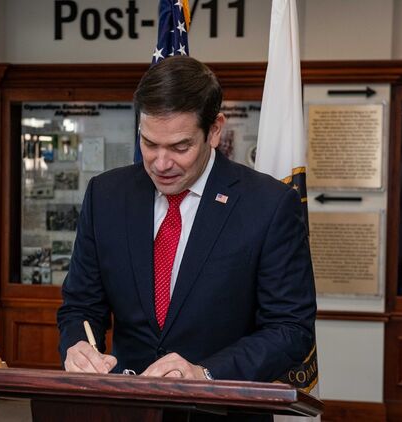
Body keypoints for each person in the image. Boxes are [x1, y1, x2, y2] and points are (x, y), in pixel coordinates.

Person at [57, 57, 316, 397]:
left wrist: (206, 374)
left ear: (215, 130)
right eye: (149, 144)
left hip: (222, 411)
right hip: (127, 408)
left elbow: (290, 329)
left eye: (180, 147)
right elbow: (80, 305)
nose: (161, 163)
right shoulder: (106, 195)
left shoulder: (268, 204)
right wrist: (78, 345)